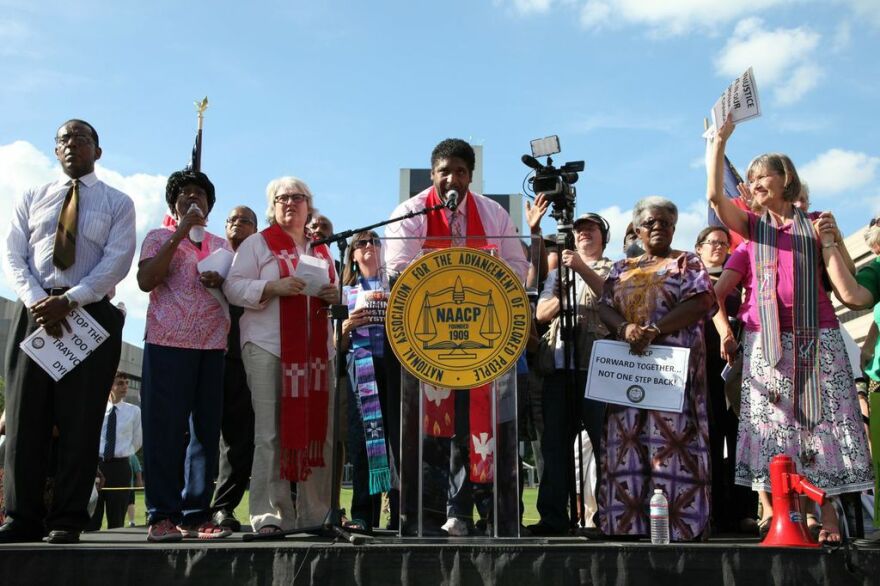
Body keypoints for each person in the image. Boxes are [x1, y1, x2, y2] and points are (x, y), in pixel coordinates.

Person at [707, 114, 873, 544]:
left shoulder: (816, 222)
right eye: (753, 176)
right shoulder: (752, 227)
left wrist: (831, 242)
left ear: (786, 179)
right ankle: (790, 516)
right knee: (778, 429)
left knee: (824, 426)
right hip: (768, 342)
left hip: (817, 336)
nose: (757, 181)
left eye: (765, 174)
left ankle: (829, 518)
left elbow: (849, 293)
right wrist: (719, 142)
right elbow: (713, 195)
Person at [384, 138, 529, 536]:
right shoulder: (412, 212)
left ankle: (489, 516)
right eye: (444, 171)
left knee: (478, 429)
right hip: (427, 343)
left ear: (470, 175)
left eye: (461, 171)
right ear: (433, 174)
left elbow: (517, 267)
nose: (452, 178)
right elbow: (398, 267)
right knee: (434, 431)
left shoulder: (493, 214)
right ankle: (429, 516)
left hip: (484, 342)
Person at [1, 119, 135, 544]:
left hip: (89, 313)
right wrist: (39, 300)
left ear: (98, 150)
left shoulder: (118, 202)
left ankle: (68, 517)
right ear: (55, 151)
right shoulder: (32, 197)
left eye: (81, 138)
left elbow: (117, 260)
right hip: (35, 311)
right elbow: (13, 252)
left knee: (80, 419)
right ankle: (20, 515)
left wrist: (71, 299)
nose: (71, 144)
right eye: (63, 139)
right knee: (25, 417)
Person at [224, 176, 338, 536]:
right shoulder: (258, 244)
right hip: (267, 346)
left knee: (319, 431)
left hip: (315, 353)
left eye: (298, 197)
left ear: (309, 205)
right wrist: (273, 287)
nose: (291, 202)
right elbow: (233, 287)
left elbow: (334, 291)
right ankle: (270, 514)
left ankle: (314, 513)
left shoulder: (320, 249)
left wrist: (337, 297)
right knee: (270, 432)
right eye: (282, 198)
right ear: (272, 207)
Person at [597, 196, 715, 541]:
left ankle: (680, 526)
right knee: (626, 444)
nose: (658, 227)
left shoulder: (686, 262)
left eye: (665, 222)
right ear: (636, 229)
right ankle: (627, 525)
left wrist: (654, 330)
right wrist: (625, 329)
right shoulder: (620, 268)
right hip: (628, 375)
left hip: (672, 376)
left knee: (673, 443)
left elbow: (702, 301)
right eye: (650, 222)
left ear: (675, 228)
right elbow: (604, 306)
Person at [137, 169, 232, 542]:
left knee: (204, 433)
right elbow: (146, 281)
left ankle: (195, 514)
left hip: (211, 346)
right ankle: (161, 514)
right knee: (164, 430)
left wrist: (222, 281)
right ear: (172, 204)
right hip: (167, 342)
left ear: (210, 205)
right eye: (185, 195)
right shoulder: (159, 237)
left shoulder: (222, 245)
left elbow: (235, 293)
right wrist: (179, 233)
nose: (193, 200)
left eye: (200, 195)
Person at [529, 213, 613, 536]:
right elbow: (541, 313)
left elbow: (610, 295)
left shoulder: (611, 266)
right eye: (579, 231)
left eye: (591, 229)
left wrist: (580, 267)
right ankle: (553, 517)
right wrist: (563, 293)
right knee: (554, 445)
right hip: (559, 368)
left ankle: (610, 514)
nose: (583, 234)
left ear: (603, 236)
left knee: (605, 444)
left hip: (598, 368)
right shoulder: (558, 274)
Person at [696, 226, 759, 534]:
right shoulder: (692, 278)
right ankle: (711, 512)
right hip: (704, 371)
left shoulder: (742, 278)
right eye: (712, 243)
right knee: (709, 442)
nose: (719, 247)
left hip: (741, 371)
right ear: (698, 249)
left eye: (723, 243)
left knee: (740, 441)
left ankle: (743, 512)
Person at [339, 230, 398, 531]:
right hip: (361, 366)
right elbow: (334, 343)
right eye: (362, 243)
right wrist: (347, 325)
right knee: (364, 442)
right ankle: (363, 514)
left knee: (398, 442)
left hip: (395, 366)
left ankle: (401, 513)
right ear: (352, 254)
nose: (369, 247)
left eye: (375, 241)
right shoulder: (345, 291)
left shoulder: (398, 284)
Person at [211, 206, 259, 532]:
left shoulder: (261, 263)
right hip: (204, 353)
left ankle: (223, 507)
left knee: (238, 440)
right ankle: (188, 506)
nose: (235, 225)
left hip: (243, 357)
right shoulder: (210, 257)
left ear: (255, 229)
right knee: (199, 436)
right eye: (230, 220)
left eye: (244, 221)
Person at [87, 372, 142, 530]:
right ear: (110, 386)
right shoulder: (96, 408)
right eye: (120, 383)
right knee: (92, 516)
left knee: (117, 517)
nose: (125, 386)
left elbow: (138, 439)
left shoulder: (134, 411)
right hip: (96, 466)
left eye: (126, 382)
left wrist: (123, 452)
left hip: (120, 467)